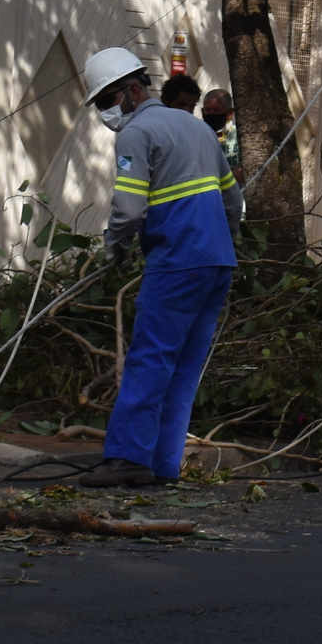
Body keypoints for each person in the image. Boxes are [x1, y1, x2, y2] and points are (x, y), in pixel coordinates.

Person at [77, 46, 242, 487]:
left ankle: (128, 458)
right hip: (216, 263)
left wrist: (113, 250)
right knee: (184, 369)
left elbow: (129, 210)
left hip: (177, 261)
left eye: (107, 100)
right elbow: (233, 202)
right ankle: (161, 465)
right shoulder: (198, 129)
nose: (105, 112)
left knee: (150, 359)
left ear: (132, 90)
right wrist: (221, 245)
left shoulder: (136, 133)